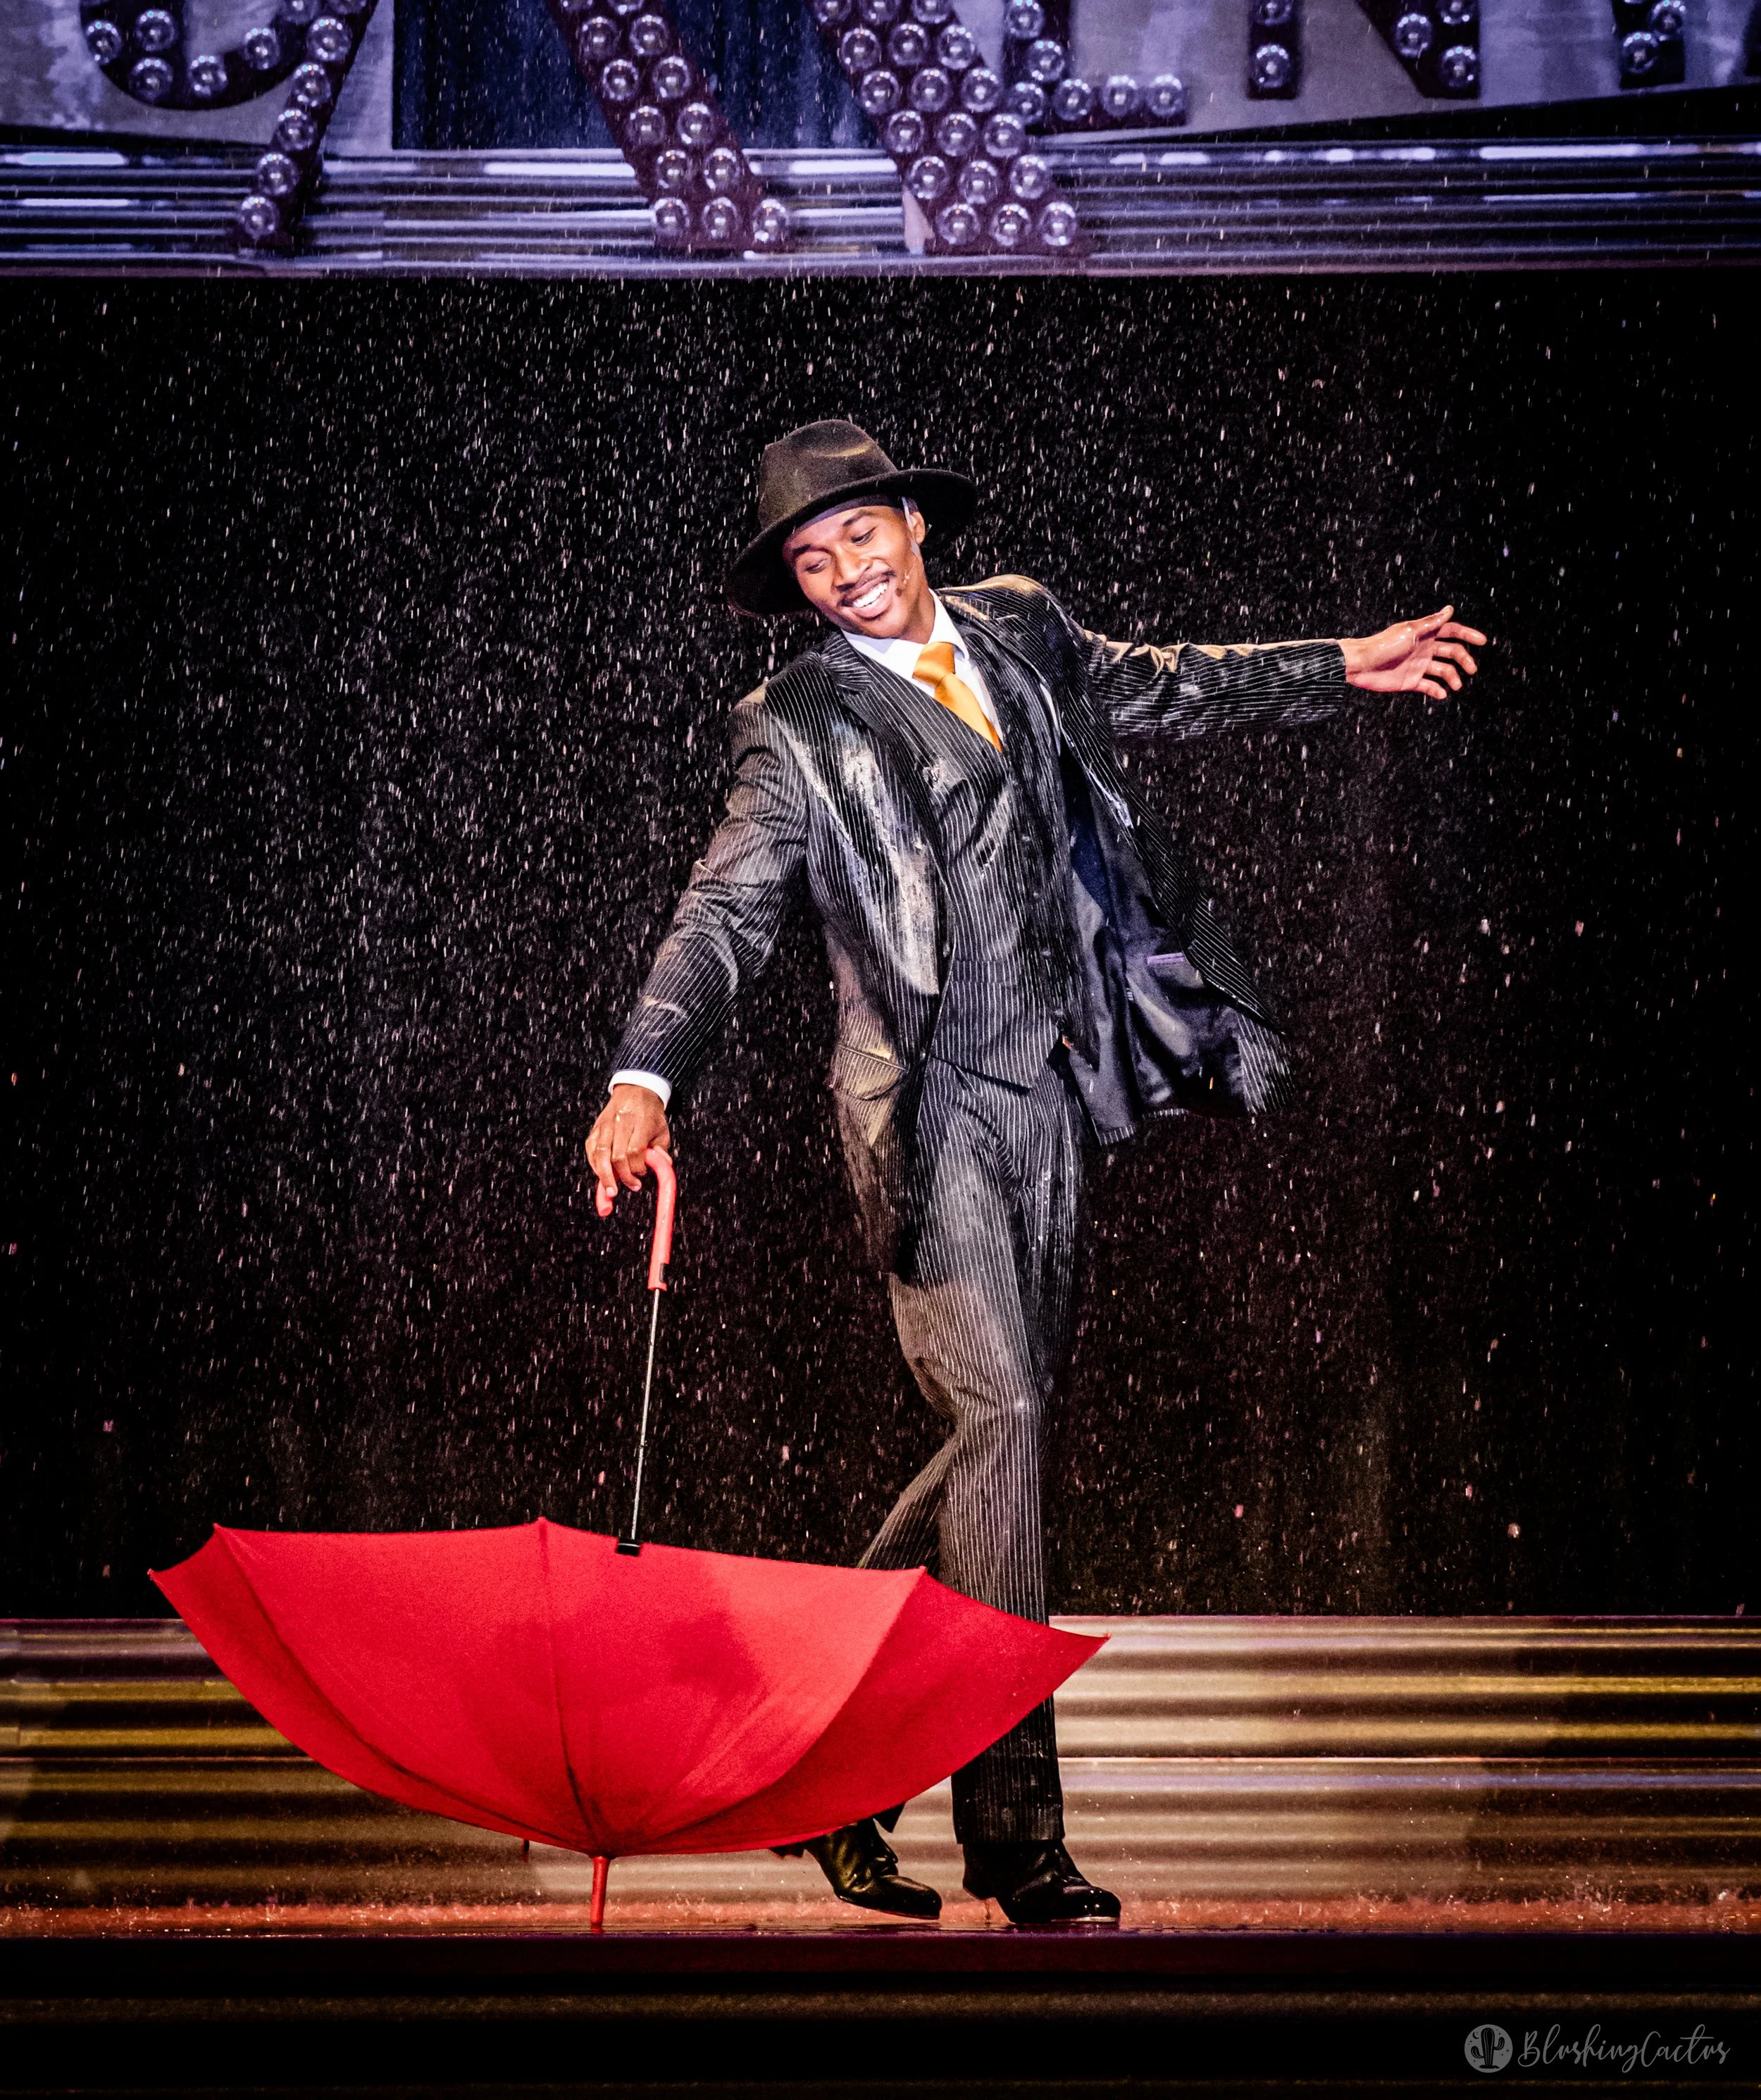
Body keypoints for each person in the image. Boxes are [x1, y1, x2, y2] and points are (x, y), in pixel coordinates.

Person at [587, 420, 1483, 1926]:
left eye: (859, 537)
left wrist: (1341, 661)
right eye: (811, 561)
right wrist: (642, 1072)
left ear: (910, 527)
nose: (844, 573)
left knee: (991, 1462)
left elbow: (1167, 683)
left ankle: (824, 1761)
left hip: (1052, 1099)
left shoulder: (1018, 624)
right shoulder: (791, 719)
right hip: (923, 1120)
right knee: (994, 1417)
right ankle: (1014, 1842)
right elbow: (723, 910)